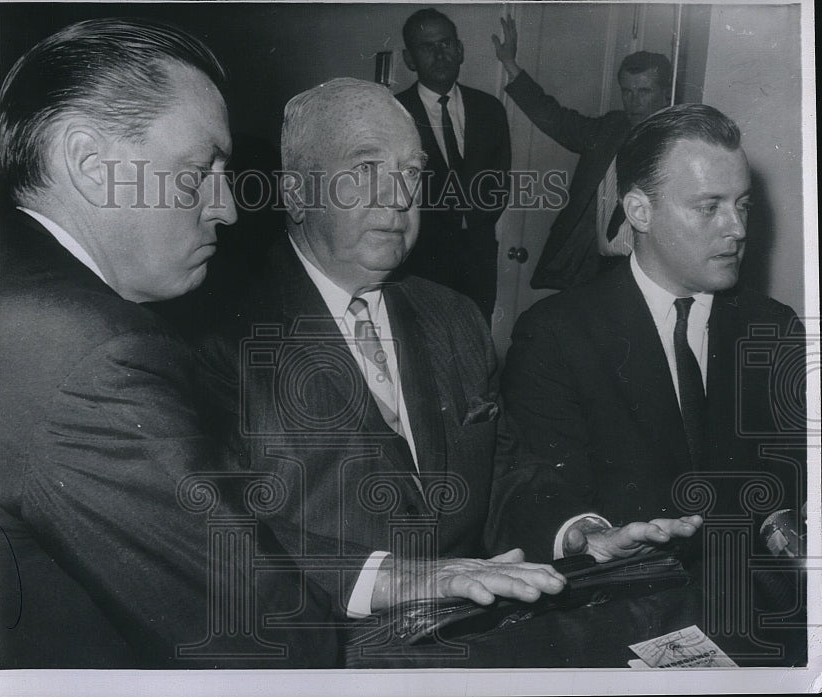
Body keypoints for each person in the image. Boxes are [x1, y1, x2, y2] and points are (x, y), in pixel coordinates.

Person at [198, 77, 672, 628]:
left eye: (411, 173)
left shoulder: (455, 318)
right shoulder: (218, 338)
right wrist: (394, 580)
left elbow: (499, 472)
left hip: (469, 638)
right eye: (367, 168)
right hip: (320, 648)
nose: (399, 198)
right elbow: (216, 538)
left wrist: (576, 532)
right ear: (298, 192)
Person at [0, 18, 339, 669]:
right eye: (197, 170)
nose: (228, 208)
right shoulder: (92, 351)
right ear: (90, 164)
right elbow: (271, 645)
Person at [499, 104, 805, 563]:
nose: (737, 229)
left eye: (742, 205)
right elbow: (540, 489)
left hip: (750, 592)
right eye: (709, 207)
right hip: (625, 594)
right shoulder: (555, 334)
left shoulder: (773, 327)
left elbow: (794, 473)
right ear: (639, 211)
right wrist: (589, 534)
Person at [492, 15, 671, 290]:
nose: (633, 101)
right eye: (627, 91)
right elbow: (556, 118)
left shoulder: (680, 142)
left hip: (650, 271)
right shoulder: (610, 128)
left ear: (665, 93)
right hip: (595, 266)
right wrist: (509, 64)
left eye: (644, 91)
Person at [396, 8, 511, 323]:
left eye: (445, 44)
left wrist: (474, 225)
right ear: (409, 59)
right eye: (426, 47)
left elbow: (499, 183)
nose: (439, 53)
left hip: (478, 262)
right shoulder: (394, 113)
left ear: (459, 50)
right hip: (418, 264)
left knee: (475, 352)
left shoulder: (489, 110)